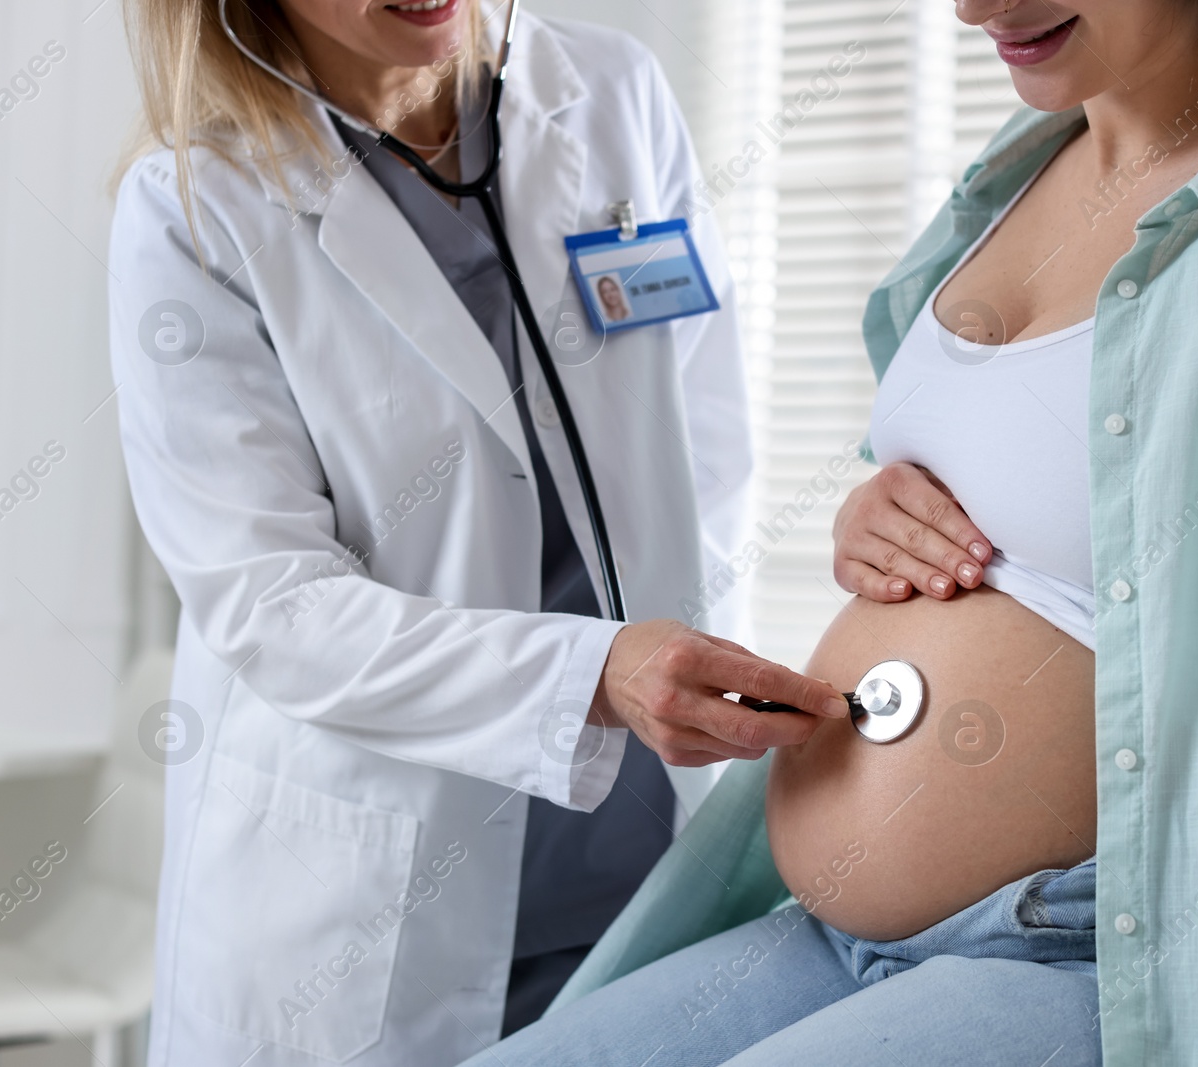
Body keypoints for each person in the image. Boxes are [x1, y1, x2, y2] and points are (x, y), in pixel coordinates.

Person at [455, 0, 1198, 1064]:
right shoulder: (1018, 163)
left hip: (1110, 952)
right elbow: (1048, 502)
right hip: (821, 924)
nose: (976, 9)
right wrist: (874, 516)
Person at [107, 2, 851, 1064]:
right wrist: (594, 671)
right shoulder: (198, 205)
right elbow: (270, 604)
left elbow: (706, 435)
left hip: (641, 854)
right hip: (370, 906)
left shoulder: (611, 95)